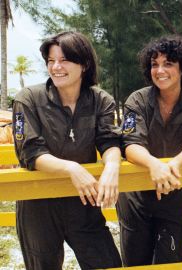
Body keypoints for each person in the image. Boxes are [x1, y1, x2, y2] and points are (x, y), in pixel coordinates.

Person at [12, 31, 122, 270]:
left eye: (64, 60)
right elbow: (29, 151)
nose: (56, 67)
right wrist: (71, 168)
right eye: (51, 61)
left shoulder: (101, 100)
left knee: (108, 264)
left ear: (84, 64)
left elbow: (109, 140)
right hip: (38, 204)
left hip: (84, 202)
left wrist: (113, 165)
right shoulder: (27, 99)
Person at [117, 35, 182, 266]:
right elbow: (130, 143)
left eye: (168, 63)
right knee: (135, 263)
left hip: (174, 192)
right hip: (136, 197)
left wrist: (173, 165)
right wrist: (154, 165)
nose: (160, 70)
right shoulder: (136, 100)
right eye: (154, 64)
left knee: (171, 261)